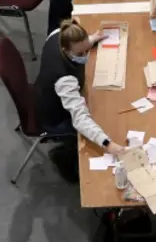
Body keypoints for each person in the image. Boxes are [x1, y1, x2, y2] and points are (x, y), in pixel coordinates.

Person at [33, 18, 125, 162]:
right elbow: (80, 119)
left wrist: (93, 39)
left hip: (41, 91)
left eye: (86, 50)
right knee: (103, 119)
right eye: (80, 53)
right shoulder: (65, 80)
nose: (85, 56)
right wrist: (108, 144)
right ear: (66, 50)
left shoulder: (58, 34)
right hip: (56, 116)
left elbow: (80, 42)